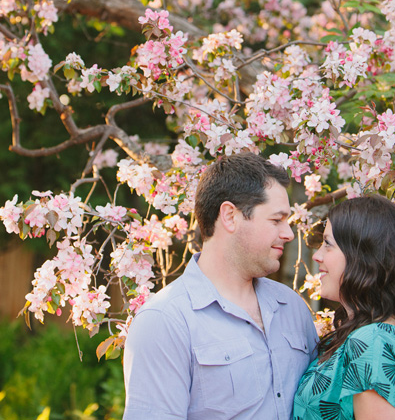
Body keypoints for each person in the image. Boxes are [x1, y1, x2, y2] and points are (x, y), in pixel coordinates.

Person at [123, 152, 319, 420]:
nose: (288, 233)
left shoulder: (294, 308)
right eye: (276, 220)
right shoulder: (164, 321)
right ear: (229, 216)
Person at [292, 195, 395, 420]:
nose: (317, 256)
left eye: (328, 244)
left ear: (363, 256)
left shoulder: (373, 341)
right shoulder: (369, 336)